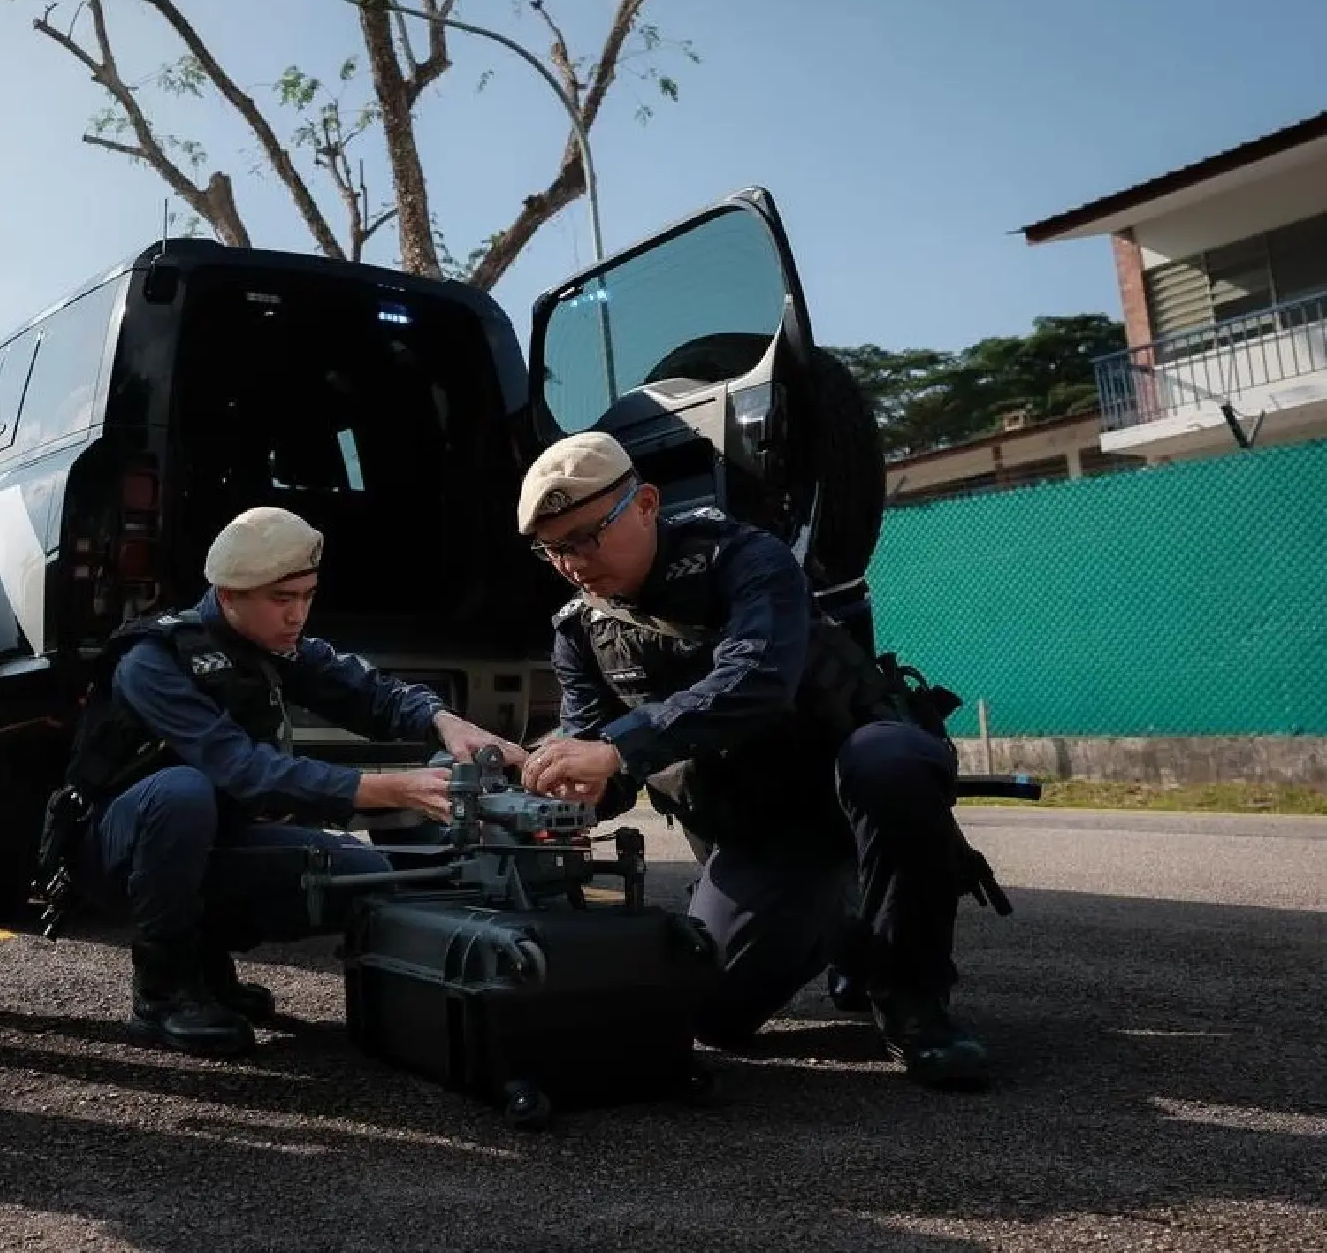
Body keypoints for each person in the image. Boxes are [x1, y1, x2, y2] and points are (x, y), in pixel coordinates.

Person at [514, 431, 993, 1089]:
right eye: (553, 549)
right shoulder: (580, 631)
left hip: (845, 780)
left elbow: (758, 678)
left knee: (891, 762)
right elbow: (598, 755)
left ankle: (913, 1005)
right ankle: (849, 932)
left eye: (586, 535)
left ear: (647, 503)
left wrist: (619, 745)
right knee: (714, 1015)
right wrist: (564, 786)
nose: (572, 562)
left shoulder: (744, 557)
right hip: (764, 834)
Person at [56, 506, 525, 1057]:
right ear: (230, 595)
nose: (297, 615)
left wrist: (447, 723)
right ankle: (163, 990)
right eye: (283, 600)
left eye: (306, 596)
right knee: (182, 792)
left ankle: (208, 963)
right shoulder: (153, 659)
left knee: (364, 879)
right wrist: (398, 790)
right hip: (115, 847)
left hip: (213, 840)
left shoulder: (270, 645)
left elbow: (369, 692)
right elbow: (246, 772)